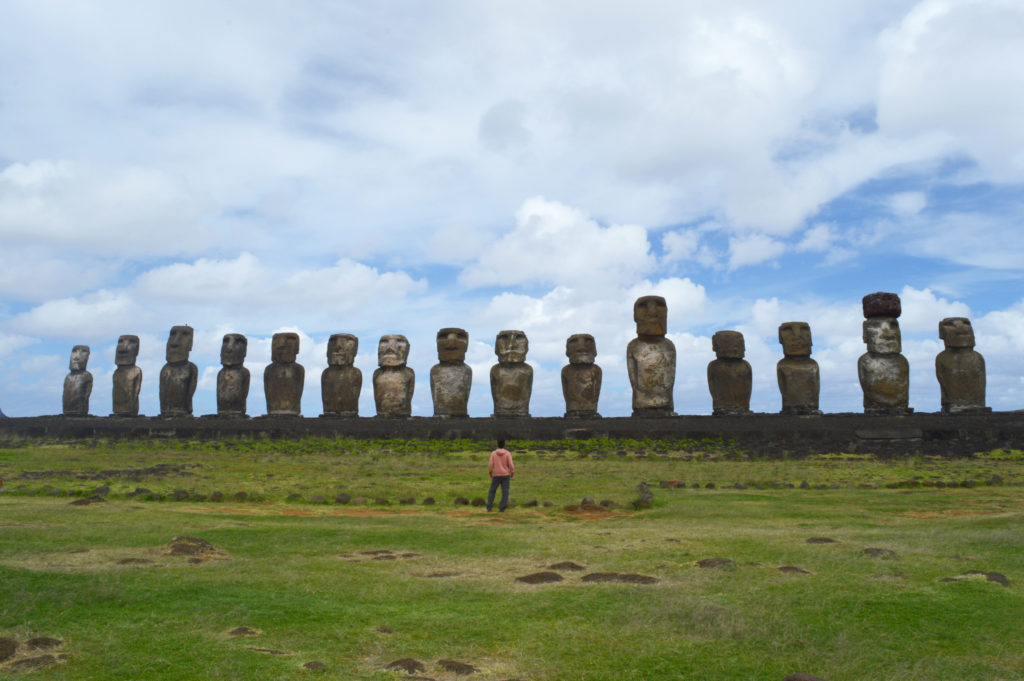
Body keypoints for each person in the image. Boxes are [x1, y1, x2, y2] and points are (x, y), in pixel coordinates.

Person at [487, 440, 515, 512]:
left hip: (496, 475)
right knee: (505, 492)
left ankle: (489, 507)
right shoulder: (508, 453)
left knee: (492, 491)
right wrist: (512, 473)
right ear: (504, 445)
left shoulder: (493, 453)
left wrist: (490, 473)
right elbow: (511, 465)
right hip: (506, 475)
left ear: (497, 444)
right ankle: (502, 509)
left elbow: (490, 465)